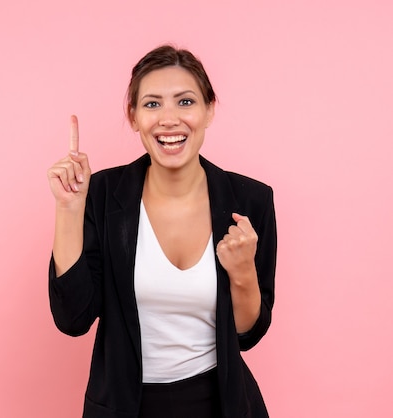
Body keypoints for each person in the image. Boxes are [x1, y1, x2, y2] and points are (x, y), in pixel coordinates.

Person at [46, 45, 277, 418]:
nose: (169, 119)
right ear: (133, 116)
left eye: (185, 102)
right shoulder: (102, 195)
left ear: (209, 110)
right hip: (125, 406)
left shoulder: (251, 200)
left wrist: (243, 272)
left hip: (222, 404)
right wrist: (69, 209)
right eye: (152, 104)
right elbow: (73, 318)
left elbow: (248, 334)